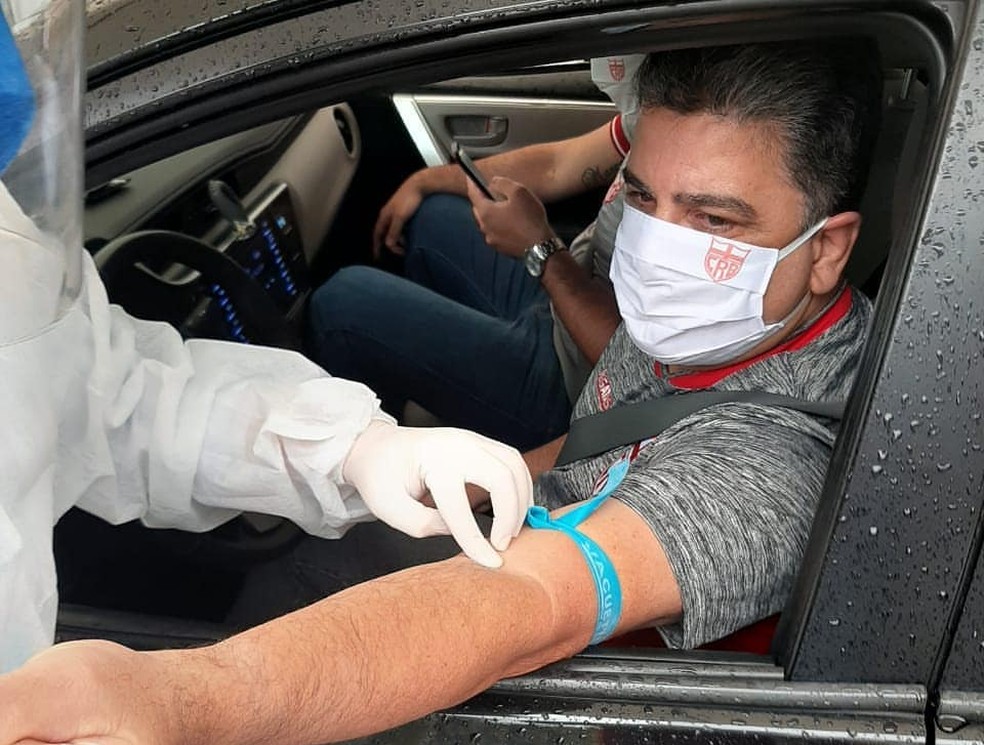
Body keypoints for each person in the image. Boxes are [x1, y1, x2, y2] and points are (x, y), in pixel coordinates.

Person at [0, 38, 882, 745]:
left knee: (304, 579)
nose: (656, 248)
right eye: (644, 200)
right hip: (547, 534)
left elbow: (535, 602)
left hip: (591, 684)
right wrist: (441, 469)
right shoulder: (722, 321)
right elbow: (604, 433)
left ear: (828, 248)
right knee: (325, 552)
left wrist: (185, 700)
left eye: (714, 220)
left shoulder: (778, 458)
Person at [0, 0, 533, 675]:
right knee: (348, 304)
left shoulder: (12, 246)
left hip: (28, 682)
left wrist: (354, 447)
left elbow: (117, 400)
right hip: (35, 696)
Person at [304, 57, 646, 451]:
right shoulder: (658, 115)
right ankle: (442, 405)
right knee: (432, 215)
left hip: (584, 387)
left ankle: (373, 468)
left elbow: (642, 372)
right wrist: (425, 180)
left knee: (341, 305)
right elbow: (557, 165)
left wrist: (542, 250)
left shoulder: (699, 181)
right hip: (568, 302)